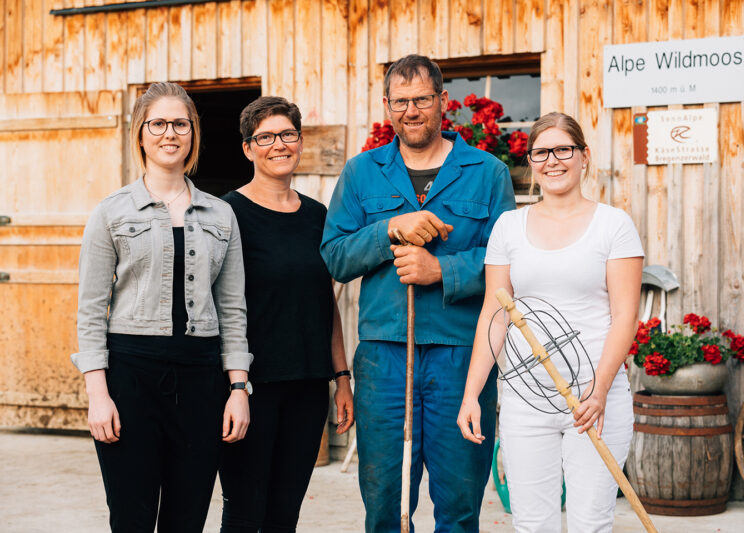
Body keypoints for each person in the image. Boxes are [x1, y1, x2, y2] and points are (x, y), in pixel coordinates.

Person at [321, 54, 516, 532]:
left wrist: (440, 270)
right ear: (387, 106)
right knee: (386, 501)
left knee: (459, 502)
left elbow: (509, 260)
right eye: (401, 102)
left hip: (460, 356)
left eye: (423, 100)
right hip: (385, 357)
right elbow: (335, 257)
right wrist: (390, 228)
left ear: (443, 102)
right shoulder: (362, 172)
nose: (412, 111)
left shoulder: (486, 172)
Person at [71, 81, 252, 532]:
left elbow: (232, 309)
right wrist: (98, 395)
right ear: (140, 133)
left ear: (193, 134)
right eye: (158, 123)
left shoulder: (220, 214)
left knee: (187, 517)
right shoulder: (111, 213)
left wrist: (237, 388)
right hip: (131, 377)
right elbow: (91, 310)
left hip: (201, 379)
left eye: (180, 124)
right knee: (131, 517)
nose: (169, 133)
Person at [456, 111, 644, 532]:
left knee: (589, 523)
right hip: (526, 401)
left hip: (595, 402)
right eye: (541, 152)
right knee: (530, 522)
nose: (552, 161)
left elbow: (624, 317)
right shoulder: (509, 226)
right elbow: (494, 314)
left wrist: (598, 391)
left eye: (563, 149)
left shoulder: (614, 225)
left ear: (583, 157)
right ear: (530, 161)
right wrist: (471, 395)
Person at [218, 96, 354, 532]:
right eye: (265, 137)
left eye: (288, 134)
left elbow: (324, 299)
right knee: (243, 513)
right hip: (251, 387)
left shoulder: (317, 216)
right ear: (247, 147)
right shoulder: (226, 214)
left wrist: (342, 379)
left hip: (308, 384)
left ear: (300, 141)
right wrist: (231, 383)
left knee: (284, 514)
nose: (279, 144)